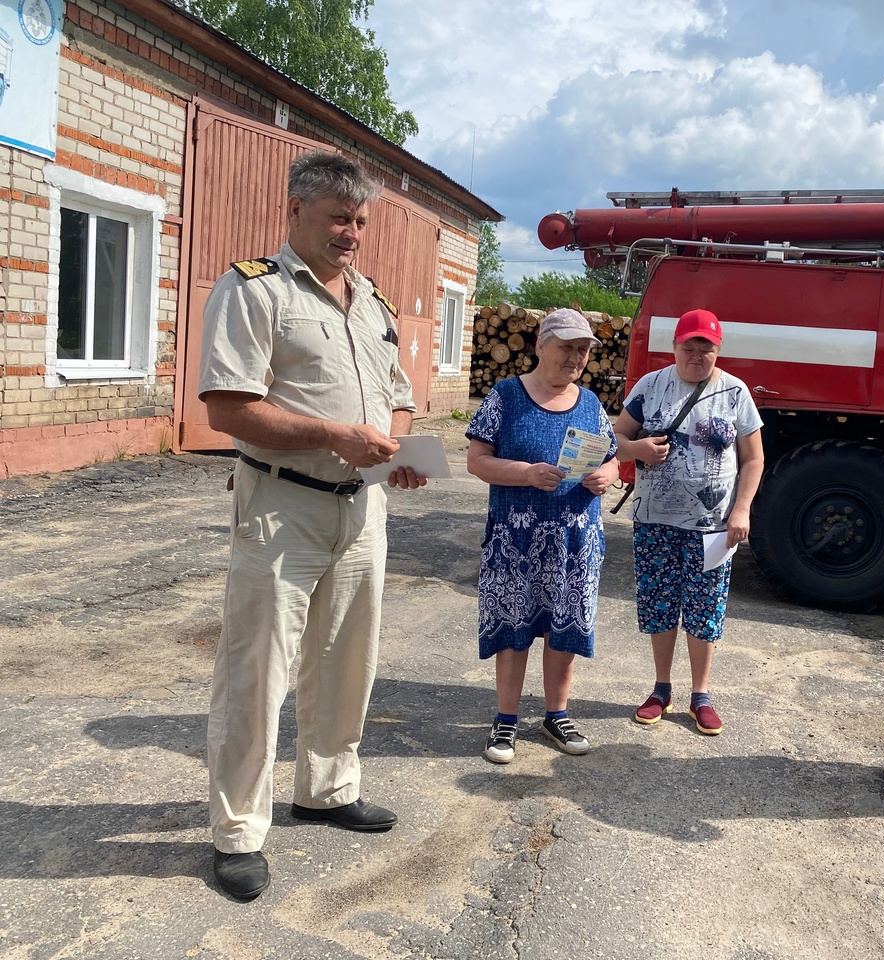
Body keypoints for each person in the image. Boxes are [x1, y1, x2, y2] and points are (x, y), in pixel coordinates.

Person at [199, 150, 427, 900]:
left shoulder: (372, 302)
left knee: (346, 659)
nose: (350, 233)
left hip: (362, 506)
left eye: (359, 221)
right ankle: (238, 831)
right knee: (257, 672)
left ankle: (327, 790)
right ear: (295, 209)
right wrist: (336, 435)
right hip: (281, 506)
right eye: (338, 217)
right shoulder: (253, 289)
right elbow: (229, 407)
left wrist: (393, 448)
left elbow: (399, 396)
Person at [466, 308, 619, 764]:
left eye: (583, 349)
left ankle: (557, 714)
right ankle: (506, 719)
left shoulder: (590, 403)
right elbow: (476, 460)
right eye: (566, 347)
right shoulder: (506, 396)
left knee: (564, 628)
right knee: (513, 630)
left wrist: (608, 476)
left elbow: (612, 457)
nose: (575, 357)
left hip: (574, 542)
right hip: (516, 541)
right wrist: (527, 474)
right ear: (539, 345)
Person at [613, 308, 765, 736]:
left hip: (713, 527)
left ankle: (701, 695)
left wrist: (742, 509)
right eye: (689, 346)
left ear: (718, 350)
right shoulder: (650, 386)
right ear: (675, 346)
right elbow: (616, 439)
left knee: (704, 609)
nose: (697, 355)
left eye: (706, 348)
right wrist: (638, 449)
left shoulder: (735, 392)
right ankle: (661, 689)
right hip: (654, 520)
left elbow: (753, 459)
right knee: (660, 605)